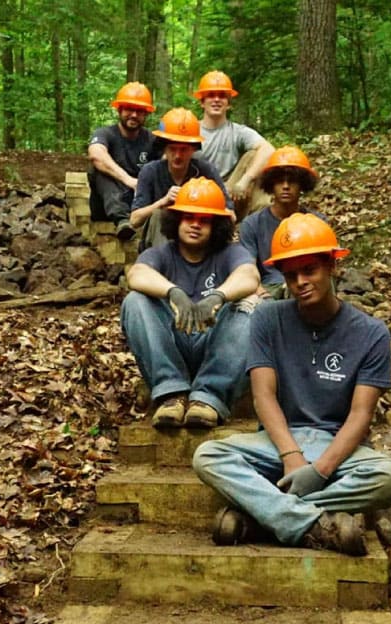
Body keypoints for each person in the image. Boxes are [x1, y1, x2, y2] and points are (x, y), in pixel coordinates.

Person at [192, 214, 391, 556]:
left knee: (390, 478)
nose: (300, 282)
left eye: (310, 270)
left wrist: (320, 470)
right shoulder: (267, 317)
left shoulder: (371, 333)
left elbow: (361, 414)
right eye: (291, 275)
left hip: (335, 445)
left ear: (332, 266)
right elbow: (263, 395)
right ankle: (314, 523)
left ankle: (261, 517)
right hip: (277, 443)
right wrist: (291, 457)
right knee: (209, 455)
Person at [122, 177, 259, 429]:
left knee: (254, 304)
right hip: (173, 342)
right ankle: (171, 394)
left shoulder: (230, 252)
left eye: (204, 219)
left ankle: (209, 397)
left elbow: (249, 276)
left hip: (217, 341)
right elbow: (136, 274)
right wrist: (173, 292)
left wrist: (218, 296)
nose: (195, 225)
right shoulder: (161, 253)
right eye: (188, 217)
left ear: (216, 225)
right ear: (176, 221)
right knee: (135, 301)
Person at [129, 107, 234, 251]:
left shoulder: (206, 171)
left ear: (193, 150)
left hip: (199, 241)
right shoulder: (150, 171)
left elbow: (230, 215)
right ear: (164, 148)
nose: (178, 155)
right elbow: (134, 220)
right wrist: (163, 202)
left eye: (183, 150)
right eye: (173, 149)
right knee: (160, 214)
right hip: (160, 244)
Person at [237, 145, 321, 299]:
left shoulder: (316, 223)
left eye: (292, 182)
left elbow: (326, 266)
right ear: (270, 185)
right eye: (279, 181)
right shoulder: (252, 224)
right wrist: (258, 291)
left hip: (308, 286)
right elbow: (246, 268)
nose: (286, 187)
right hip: (270, 289)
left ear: (302, 184)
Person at [192, 70, 274, 215]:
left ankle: (260, 218)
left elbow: (269, 150)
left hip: (229, 192)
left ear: (228, 104)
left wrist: (245, 180)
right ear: (202, 102)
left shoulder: (238, 132)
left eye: (222, 96)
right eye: (211, 95)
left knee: (254, 155)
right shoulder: (190, 130)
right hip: (195, 194)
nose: (216, 100)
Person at [86, 82, 155, 241]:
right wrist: (129, 180)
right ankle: (121, 219)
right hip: (105, 205)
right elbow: (96, 154)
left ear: (146, 114)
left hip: (138, 204)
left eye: (139, 111)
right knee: (99, 170)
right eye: (129, 109)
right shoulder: (105, 133)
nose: (134, 115)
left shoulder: (152, 140)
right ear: (119, 109)